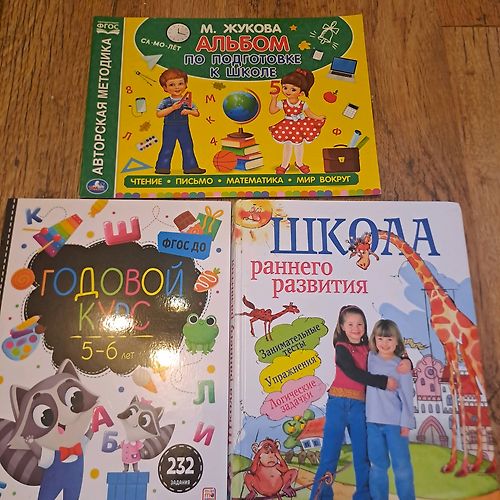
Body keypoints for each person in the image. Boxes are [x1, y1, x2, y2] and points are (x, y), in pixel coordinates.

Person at [310, 305, 411, 500]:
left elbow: (390, 349)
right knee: (329, 455)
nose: (356, 328)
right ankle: (320, 496)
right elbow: (353, 373)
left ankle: (364, 496)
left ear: (365, 326)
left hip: (360, 407)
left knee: (363, 456)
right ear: (342, 326)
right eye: (350, 324)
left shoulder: (369, 348)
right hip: (338, 405)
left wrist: (406, 360)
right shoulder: (341, 347)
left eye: (360, 324)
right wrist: (382, 382)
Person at [366, 319, 416, 500]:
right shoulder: (369, 359)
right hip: (372, 423)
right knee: (377, 466)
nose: (384, 343)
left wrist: (406, 423)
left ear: (397, 341)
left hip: (395, 424)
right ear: (374, 339)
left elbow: (407, 397)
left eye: (389, 339)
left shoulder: (401, 366)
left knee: (402, 466)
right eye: (380, 339)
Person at [269, 68, 325, 175]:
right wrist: (274, 98)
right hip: (287, 126)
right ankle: (284, 165)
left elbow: (309, 114)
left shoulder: (302, 104)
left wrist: (318, 118)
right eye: (285, 87)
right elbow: (272, 111)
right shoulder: (283, 102)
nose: (288, 91)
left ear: (301, 93)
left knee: (299, 145)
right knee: (287, 146)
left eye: (293, 89)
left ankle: (299, 163)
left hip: (300, 126)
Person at [155, 68, 205, 175]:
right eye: (172, 85)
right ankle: (162, 168)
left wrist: (188, 111)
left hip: (183, 127)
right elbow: (159, 114)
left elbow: (197, 113)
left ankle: (191, 168)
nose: (177, 87)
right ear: (165, 88)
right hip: (169, 128)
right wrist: (172, 108)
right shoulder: (165, 101)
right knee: (167, 147)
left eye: (180, 83)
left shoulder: (187, 100)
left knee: (187, 147)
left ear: (186, 84)